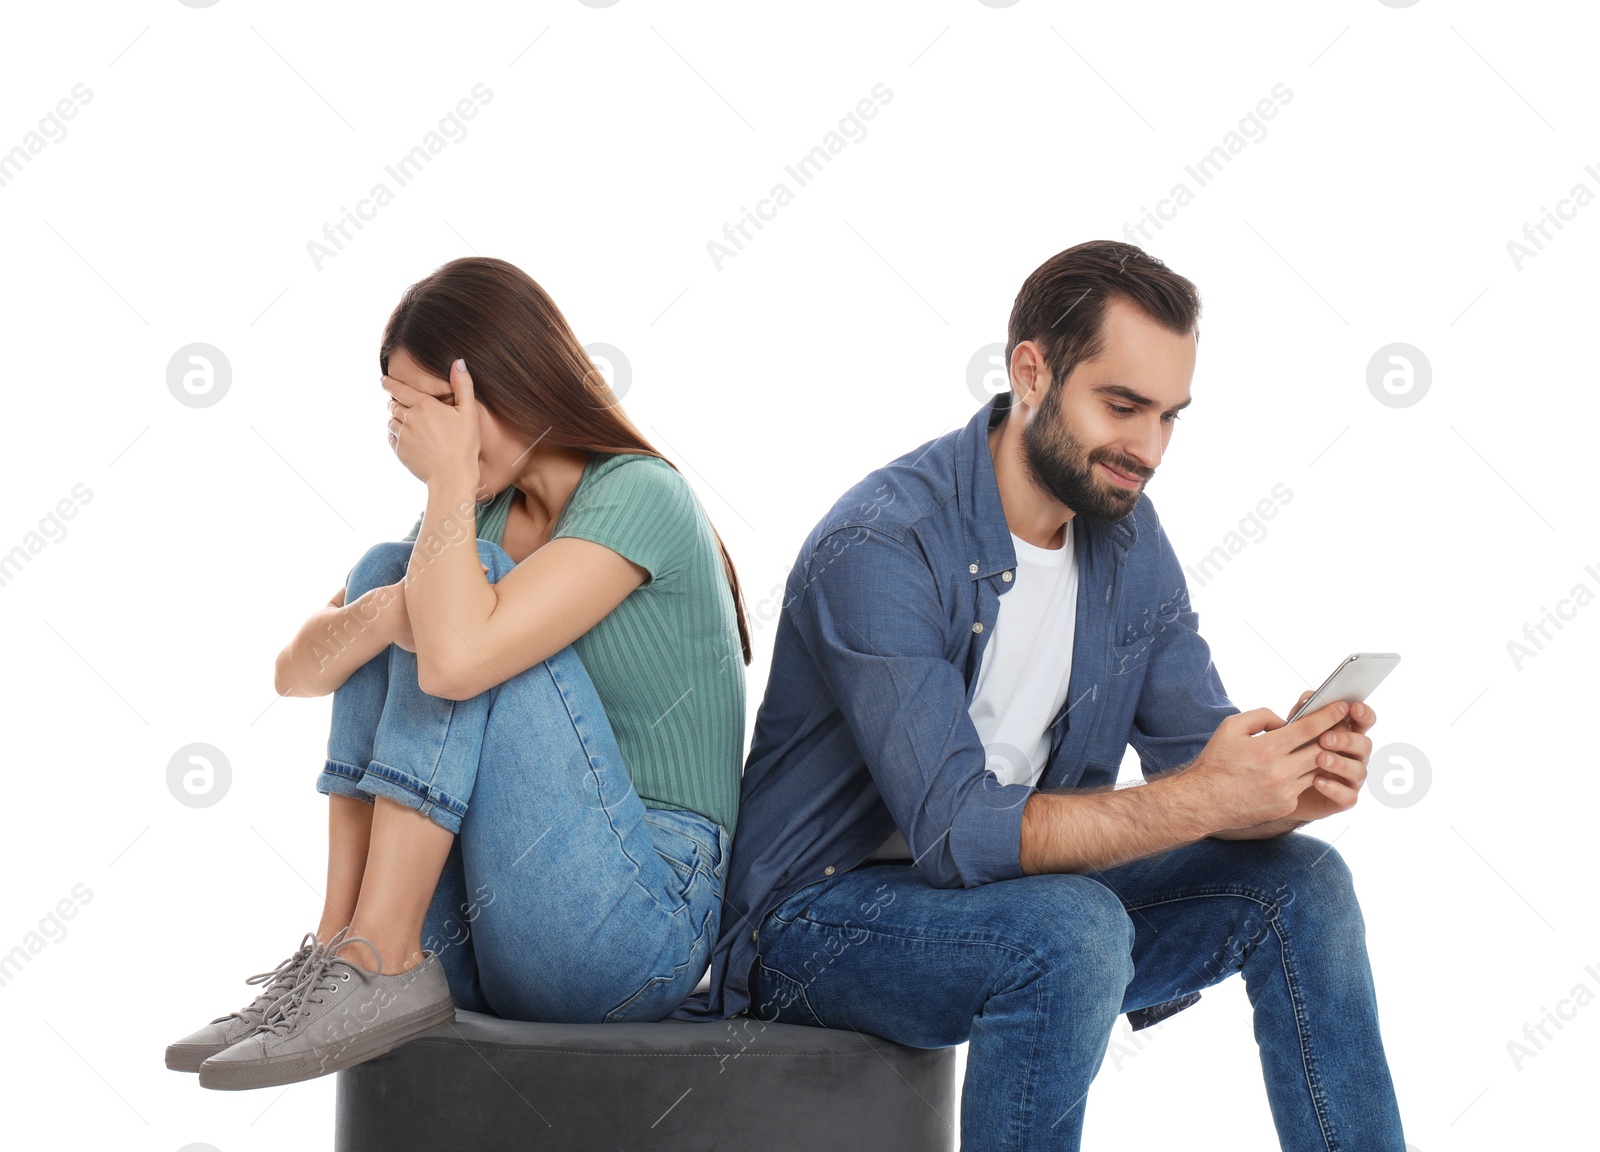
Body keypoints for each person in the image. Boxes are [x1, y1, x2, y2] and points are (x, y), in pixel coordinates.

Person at [671, 240, 1407, 1150]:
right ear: (1032, 371)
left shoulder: (1124, 536)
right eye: (1123, 406)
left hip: (1021, 908)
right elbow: (957, 836)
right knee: (1072, 929)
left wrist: (1282, 789)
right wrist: (1212, 794)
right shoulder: (883, 545)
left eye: (1171, 416)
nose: (1148, 449)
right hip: (815, 924)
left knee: (1305, 886)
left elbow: (1196, 763)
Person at [165, 256, 750, 1091]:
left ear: (505, 387)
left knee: (451, 591)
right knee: (389, 573)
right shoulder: (479, 509)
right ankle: (342, 948)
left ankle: (380, 953)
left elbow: (458, 660)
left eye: (432, 410)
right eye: (400, 413)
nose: (415, 437)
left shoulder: (642, 493)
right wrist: (389, 607)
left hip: (633, 926)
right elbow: (295, 672)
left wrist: (445, 483)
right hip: (491, 924)